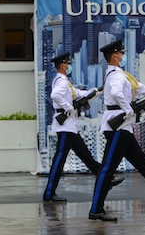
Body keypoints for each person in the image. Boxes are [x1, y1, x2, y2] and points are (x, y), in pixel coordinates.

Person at [89, 40, 145, 222]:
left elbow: (140, 88)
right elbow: (115, 93)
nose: (123, 55)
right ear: (114, 56)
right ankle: (95, 209)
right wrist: (127, 108)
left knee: (143, 164)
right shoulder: (116, 75)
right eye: (121, 53)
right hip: (118, 126)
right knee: (107, 169)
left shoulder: (123, 75)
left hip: (124, 126)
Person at [43, 52, 123, 202]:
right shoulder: (61, 81)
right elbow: (55, 95)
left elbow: (78, 94)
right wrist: (68, 107)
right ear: (62, 65)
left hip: (70, 127)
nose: (70, 66)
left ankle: (106, 178)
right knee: (59, 160)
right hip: (65, 127)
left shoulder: (65, 81)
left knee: (87, 157)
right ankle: (49, 193)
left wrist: (94, 92)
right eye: (68, 63)